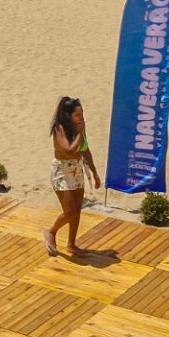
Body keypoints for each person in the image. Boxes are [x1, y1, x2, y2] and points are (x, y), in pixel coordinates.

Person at [44, 97, 99, 257]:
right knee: (69, 211)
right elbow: (69, 150)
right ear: (67, 116)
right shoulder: (58, 129)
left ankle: (71, 244)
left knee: (77, 210)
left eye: (82, 113)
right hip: (62, 172)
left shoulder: (79, 128)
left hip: (76, 170)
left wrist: (94, 172)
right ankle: (51, 231)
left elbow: (85, 150)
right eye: (78, 114)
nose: (81, 117)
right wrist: (80, 134)